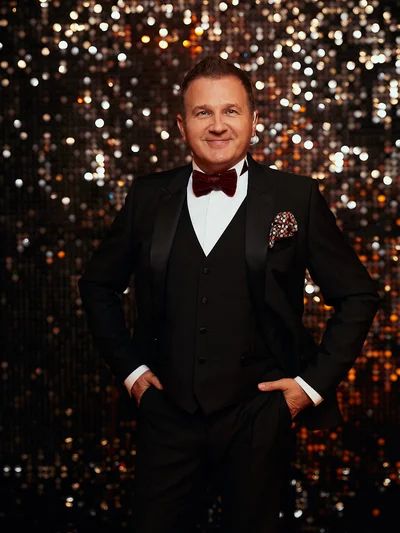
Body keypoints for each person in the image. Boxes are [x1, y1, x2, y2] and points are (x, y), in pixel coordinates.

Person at [78, 56, 380, 533]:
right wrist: (132, 373)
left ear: (254, 120)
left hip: (259, 417)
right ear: (182, 125)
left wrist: (308, 389)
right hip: (167, 417)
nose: (217, 125)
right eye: (203, 112)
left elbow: (358, 295)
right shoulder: (147, 197)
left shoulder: (295, 197)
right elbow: (97, 285)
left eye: (231, 111)